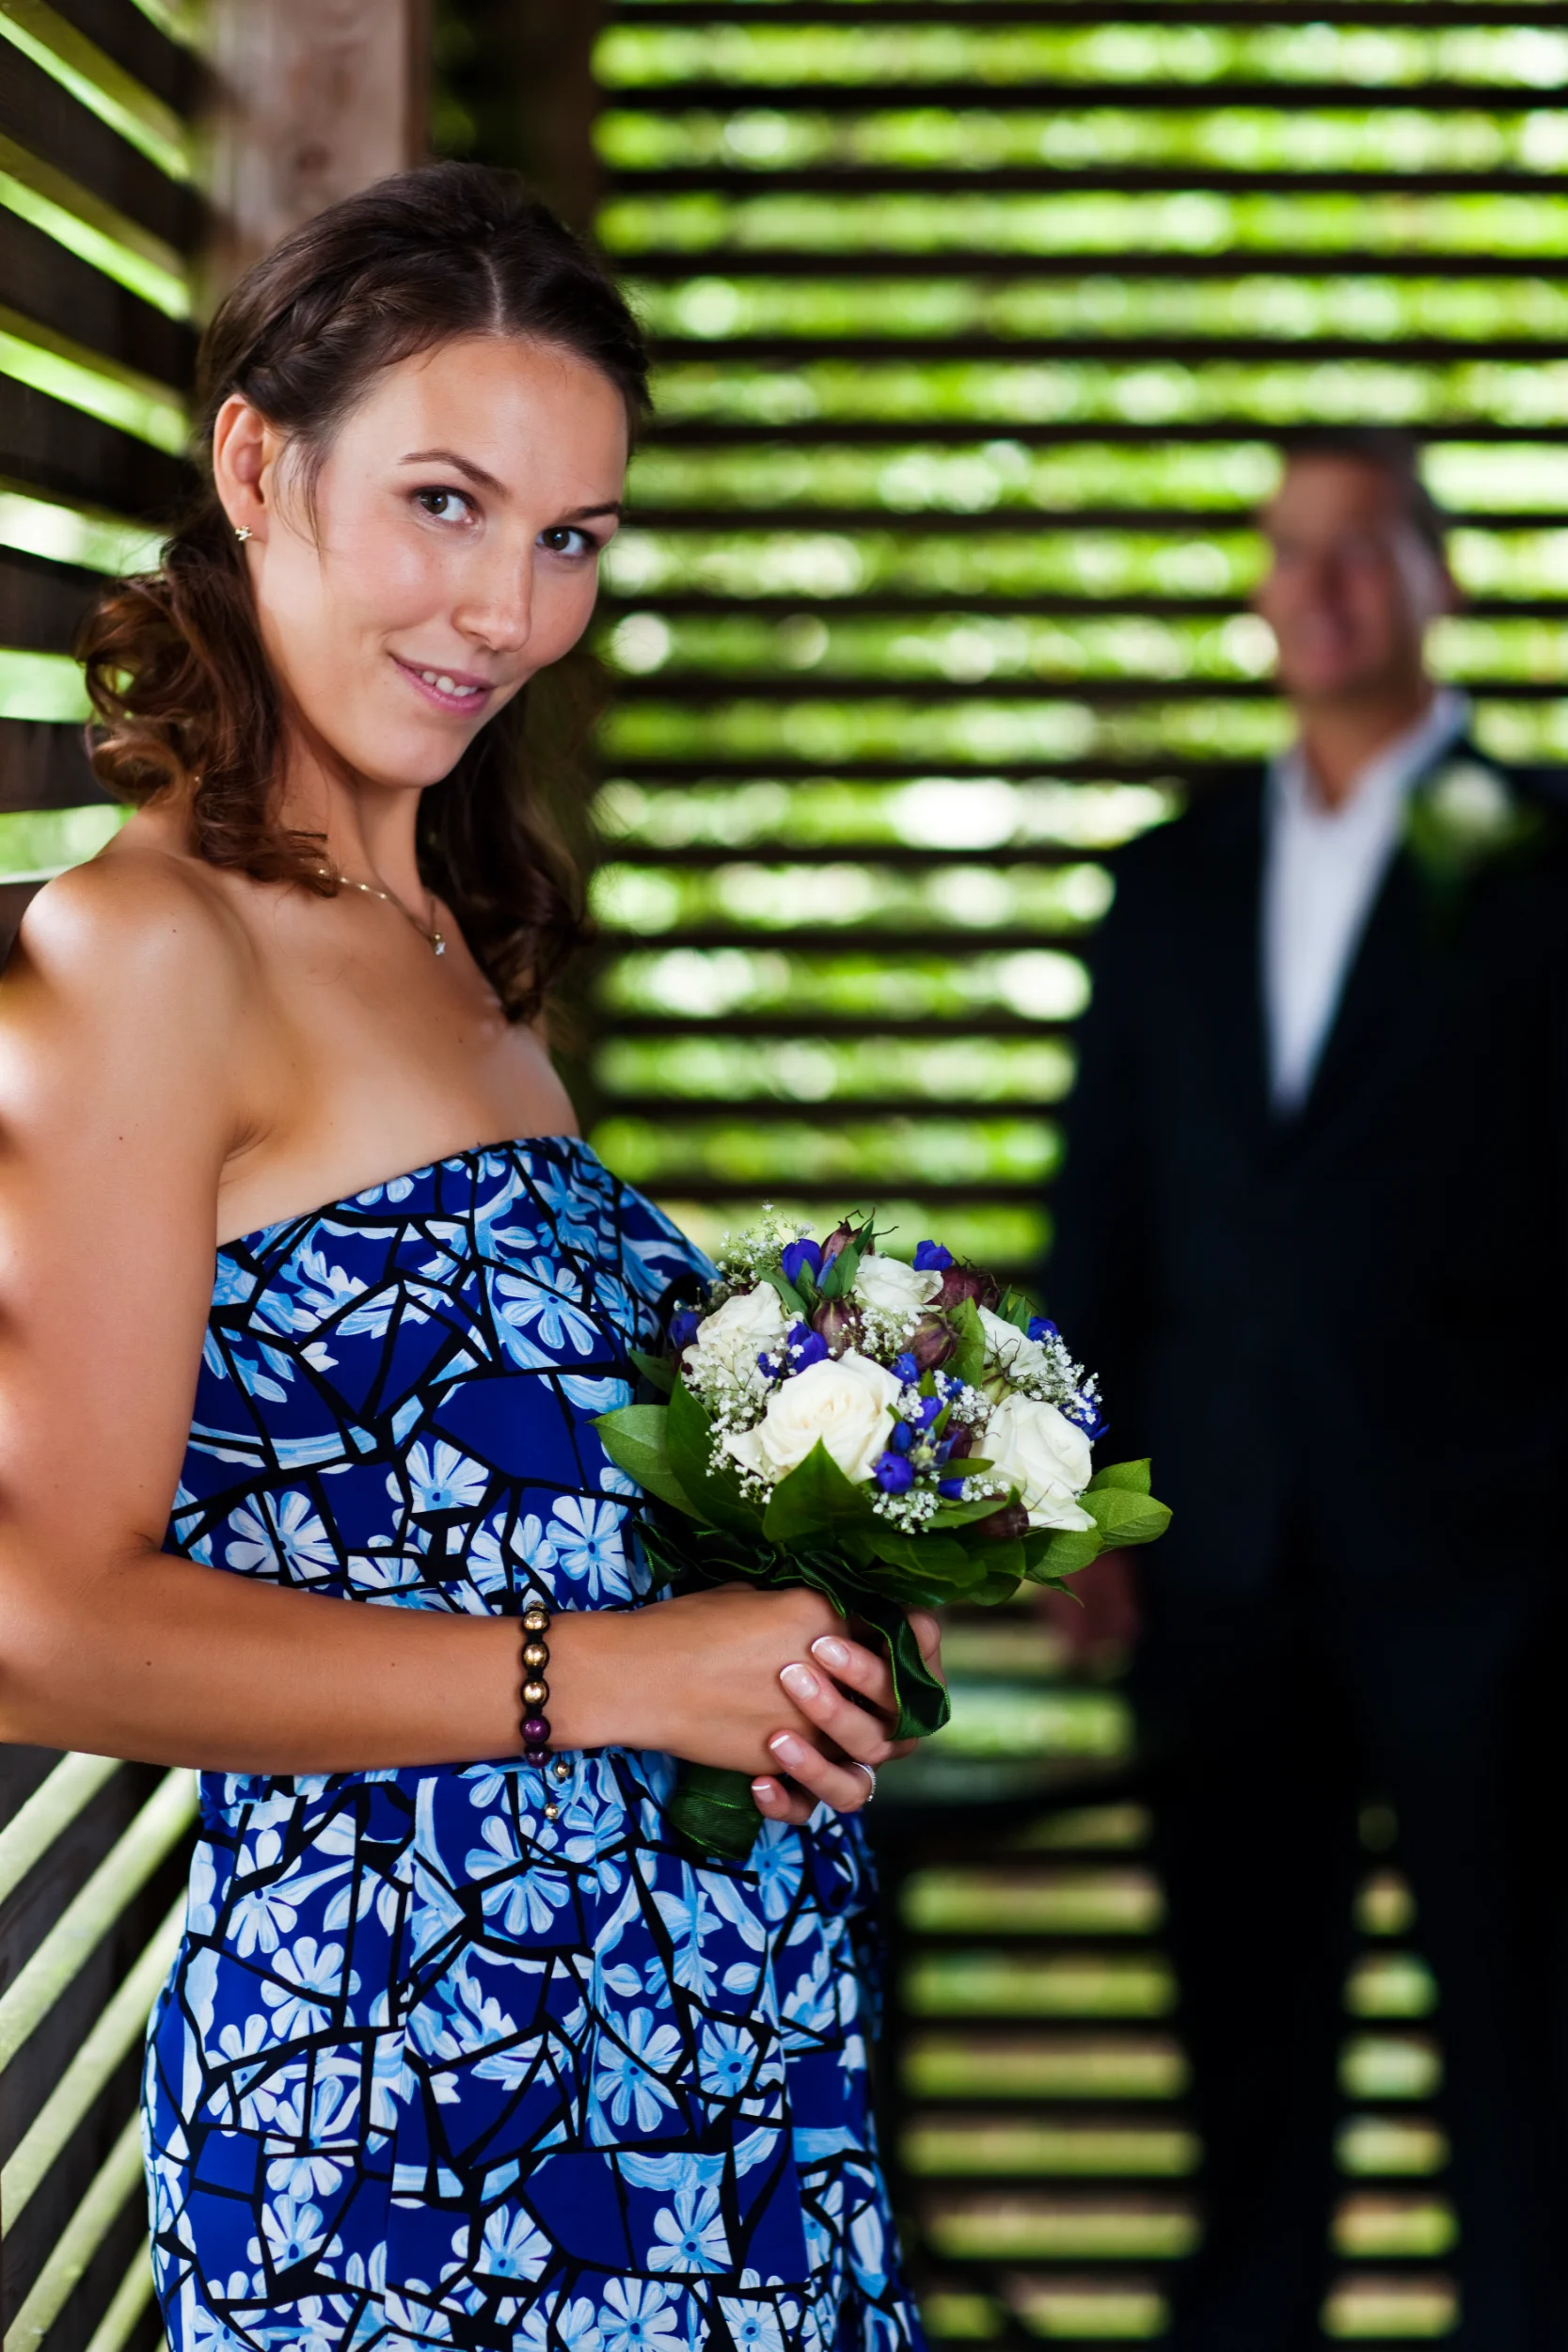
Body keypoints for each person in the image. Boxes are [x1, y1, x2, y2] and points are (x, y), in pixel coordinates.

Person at [0, 164, 935, 2352]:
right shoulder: (145, 950)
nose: (503, 605)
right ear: (257, 463)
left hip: (707, 2099)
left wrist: (787, 1635)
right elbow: (36, 1618)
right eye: (441, 498)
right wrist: (610, 1676)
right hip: (420, 2125)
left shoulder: (458, 955)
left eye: (568, 537)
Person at [1046, 429, 1568, 2351]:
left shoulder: (1527, 847)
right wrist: (1085, 1508)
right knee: (1243, 2055)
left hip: (1491, 1568)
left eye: (1364, 547)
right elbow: (1094, 1208)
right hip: (1220, 1555)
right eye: (1291, 550)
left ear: (1434, 576)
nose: (1323, 582)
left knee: (1518, 2053)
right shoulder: (1173, 873)